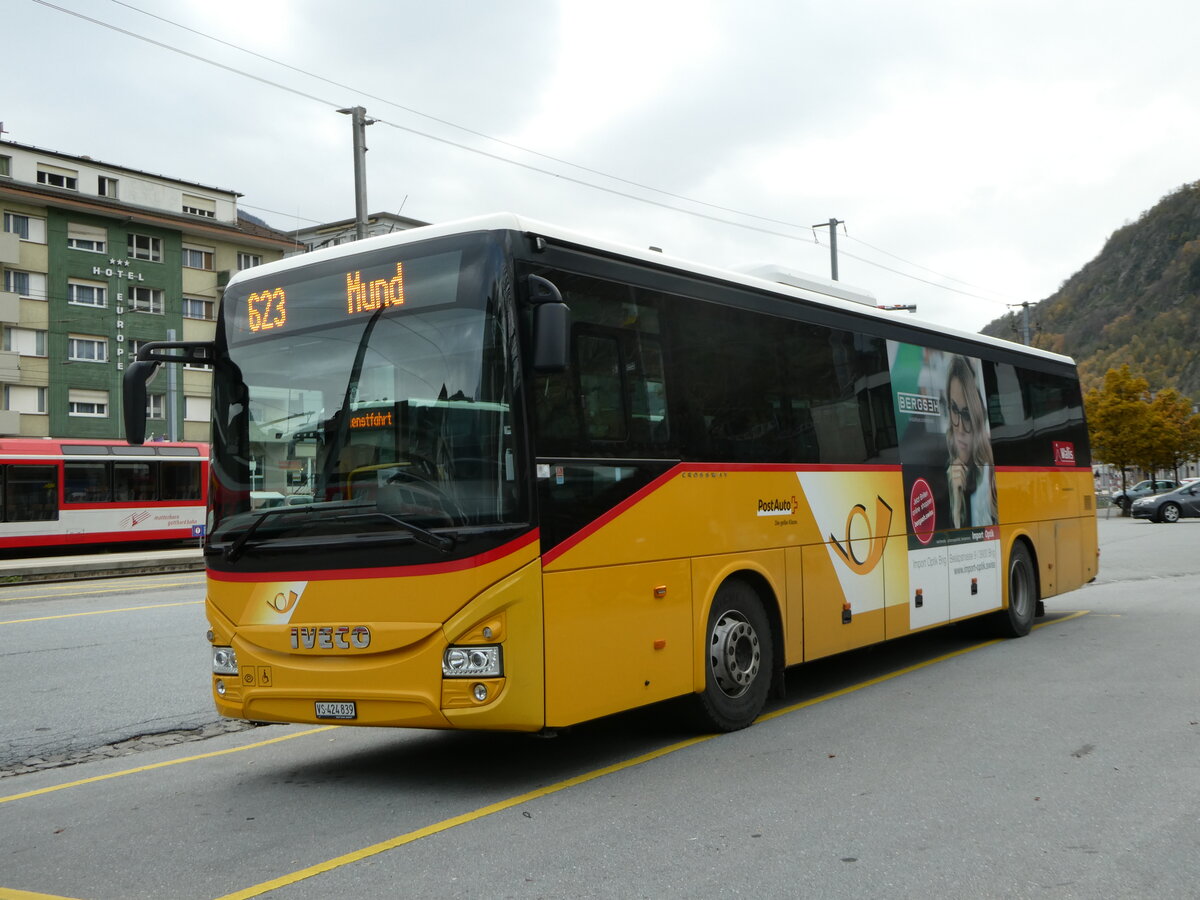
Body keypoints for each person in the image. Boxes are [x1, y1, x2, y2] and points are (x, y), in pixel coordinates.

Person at [945, 355, 997, 528]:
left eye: (966, 415)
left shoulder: (990, 470)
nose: (959, 428)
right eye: (954, 409)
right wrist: (956, 505)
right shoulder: (942, 470)